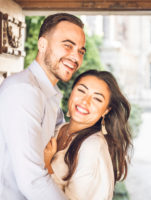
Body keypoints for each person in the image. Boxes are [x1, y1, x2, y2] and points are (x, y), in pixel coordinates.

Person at [0, 13, 86, 200]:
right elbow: (32, 180)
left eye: (81, 50)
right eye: (68, 45)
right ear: (42, 45)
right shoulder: (23, 91)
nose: (76, 57)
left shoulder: (49, 93)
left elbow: (63, 137)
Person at [44, 70, 133, 200]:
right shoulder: (58, 129)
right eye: (81, 91)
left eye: (97, 98)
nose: (85, 101)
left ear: (106, 110)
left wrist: (46, 165)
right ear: (72, 91)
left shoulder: (92, 146)